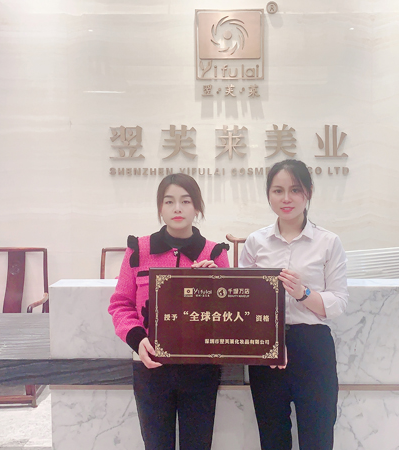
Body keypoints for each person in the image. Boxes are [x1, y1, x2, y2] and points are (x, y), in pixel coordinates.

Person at [108, 173, 230, 450]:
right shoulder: (138, 250)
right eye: (169, 201)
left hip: (201, 369)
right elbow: (120, 304)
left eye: (186, 201)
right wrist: (137, 339)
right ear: (160, 208)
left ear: (197, 207)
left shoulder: (214, 253)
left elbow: (229, 315)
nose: (177, 208)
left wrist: (215, 284)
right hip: (151, 365)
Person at [239, 159, 349, 450]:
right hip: (266, 348)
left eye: (295, 190)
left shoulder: (328, 242)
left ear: (308, 192)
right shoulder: (255, 242)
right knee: (272, 437)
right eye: (278, 191)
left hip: (312, 347)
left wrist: (303, 293)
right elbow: (244, 300)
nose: (286, 198)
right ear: (269, 195)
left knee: (318, 437)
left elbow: (338, 302)